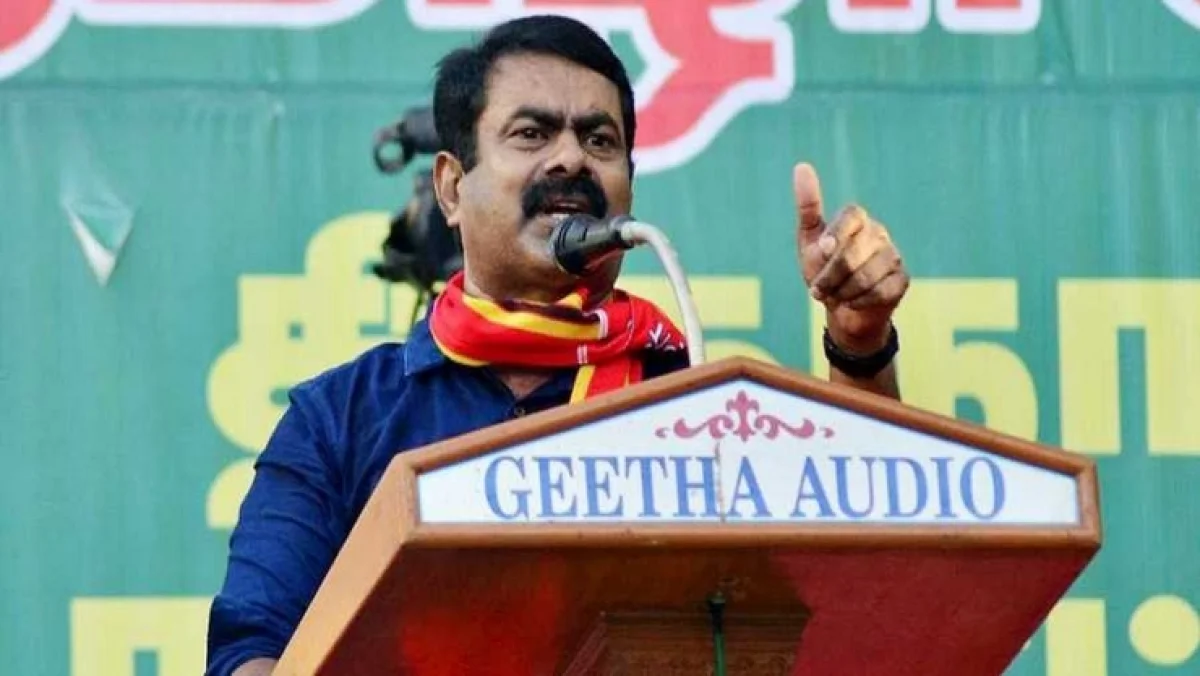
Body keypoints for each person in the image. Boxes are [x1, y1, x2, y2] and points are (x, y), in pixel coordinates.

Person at [205, 14, 910, 676]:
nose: (571, 157)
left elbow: (862, 591)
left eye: (600, 141)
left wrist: (860, 341)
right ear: (451, 188)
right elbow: (254, 649)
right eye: (531, 134)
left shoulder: (694, 407)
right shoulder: (341, 418)